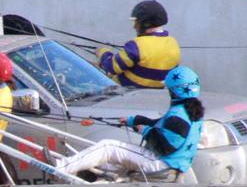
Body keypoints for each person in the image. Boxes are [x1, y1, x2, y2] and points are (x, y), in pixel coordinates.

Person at [54, 66, 204, 179]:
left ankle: (62, 167)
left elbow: (165, 147)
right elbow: (159, 124)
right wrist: (134, 120)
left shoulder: (178, 116)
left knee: (107, 146)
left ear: (174, 91)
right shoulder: (187, 110)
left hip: (160, 162)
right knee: (108, 163)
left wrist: (143, 130)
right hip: (171, 163)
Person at [97, 0, 181, 89]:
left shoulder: (136, 46)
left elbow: (111, 66)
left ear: (145, 23)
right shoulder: (173, 44)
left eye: (136, 22)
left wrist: (102, 52)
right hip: (153, 95)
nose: (134, 26)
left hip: (126, 93)